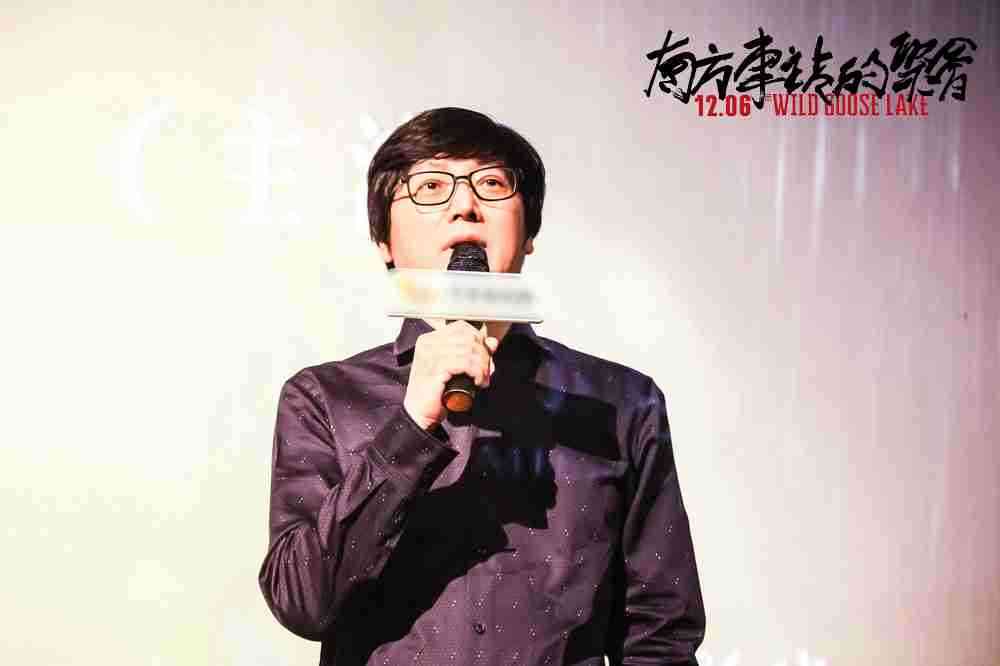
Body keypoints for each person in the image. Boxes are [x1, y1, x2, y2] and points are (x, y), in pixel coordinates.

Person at [259, 107, 705, 665]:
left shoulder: (618, 405)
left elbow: (660, 634)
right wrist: (410, 428)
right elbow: (300, 601)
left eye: (491, 184)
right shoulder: (324, 399)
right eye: (430, 187)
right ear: (384, 241)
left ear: (529, 232)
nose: (464, 205)